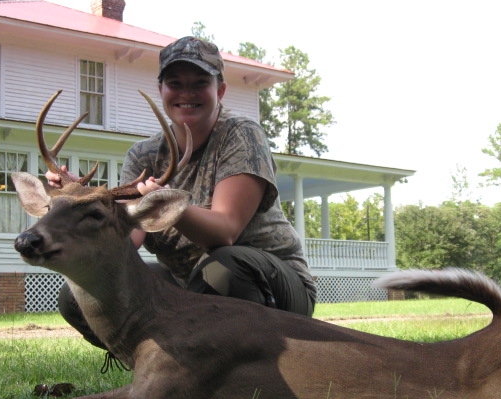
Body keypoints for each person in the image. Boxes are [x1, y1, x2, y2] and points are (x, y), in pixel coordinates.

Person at [47, 37, 317, 361]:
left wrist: (167, 204)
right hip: (188, 290)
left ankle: (245, 370)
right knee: (80, 293)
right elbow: (127, 239)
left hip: (272, 289)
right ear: (161, 90)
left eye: (200, 83)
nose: (186, 93)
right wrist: (84, 201)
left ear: (220, 91)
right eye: (175, 83)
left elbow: (225, 230)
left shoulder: (240, 134)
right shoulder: (143, 154)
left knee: (223, 265)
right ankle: (164, 372)